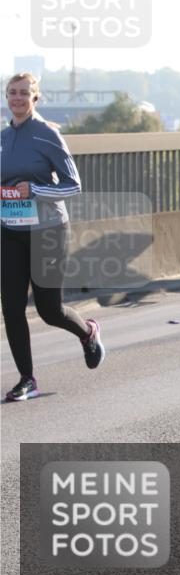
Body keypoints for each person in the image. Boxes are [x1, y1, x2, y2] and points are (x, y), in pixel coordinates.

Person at [1, 73, 106, 401]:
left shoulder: (47, 134)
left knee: (49, 310)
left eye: (24, 93)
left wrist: (35, 189)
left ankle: (88, 332)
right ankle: (27, 379)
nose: (17, 98)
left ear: (35, 98)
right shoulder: (3, 137)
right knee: (11, 308)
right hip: (10, 231)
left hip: (47, 231)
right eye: (12, 92)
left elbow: (73, 185)